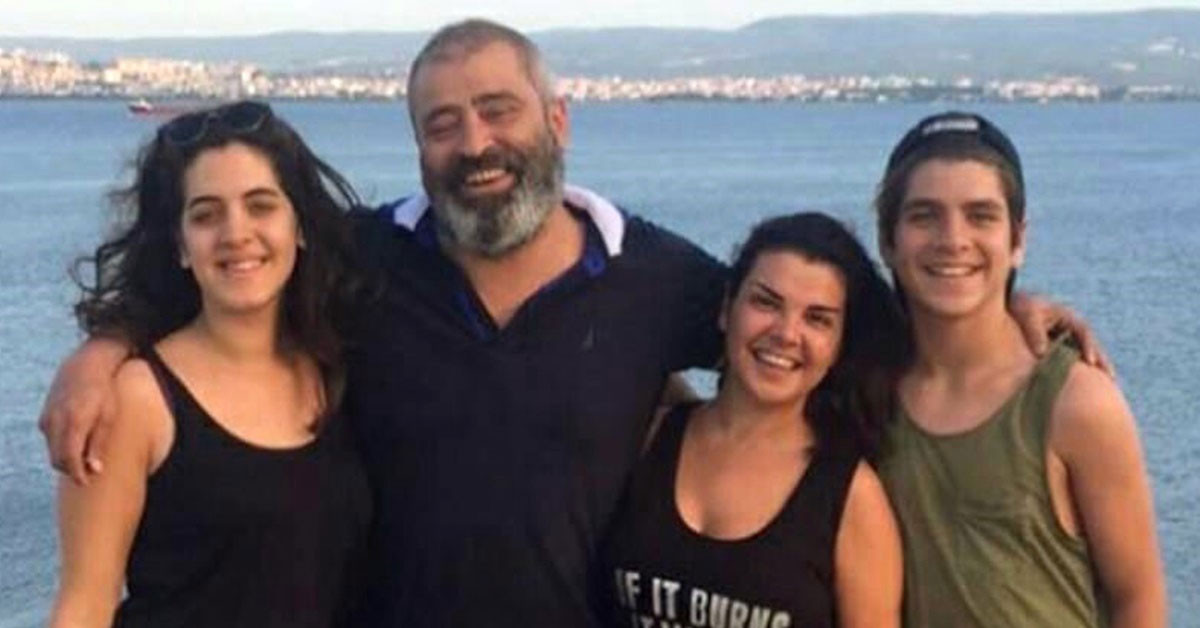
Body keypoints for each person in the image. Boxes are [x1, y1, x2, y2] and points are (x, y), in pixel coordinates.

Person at [38, 20, 1108, 627]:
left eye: (499, 110)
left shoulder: (659, 279)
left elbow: (820, 333)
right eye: (443, 123)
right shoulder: (365, 260)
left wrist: (1007, 307)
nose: (476, 143)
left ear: (557, 120)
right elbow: (232, 279)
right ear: (419, 147)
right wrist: (107, 347)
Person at [49, 101, 371, 627]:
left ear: (300, 227)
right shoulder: (135, 400)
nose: (235, 233)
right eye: (205, 215)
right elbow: (83, 607)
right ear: (180, 245)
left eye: (261, 206)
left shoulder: (335, 368)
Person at [872, 111, 1167, 627]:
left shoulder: (1076, 404)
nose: (953, 239)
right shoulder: (864, 387)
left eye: (981, 216)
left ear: (1017, 240)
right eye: (924, 216)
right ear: (887, 241)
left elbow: (1138, 599)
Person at [605, 213, 905, 628]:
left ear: (838, 347)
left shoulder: (851, 499)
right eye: (766, 302)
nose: (786, 333)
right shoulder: (649, 436)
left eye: (817, 319)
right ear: (726, 309)